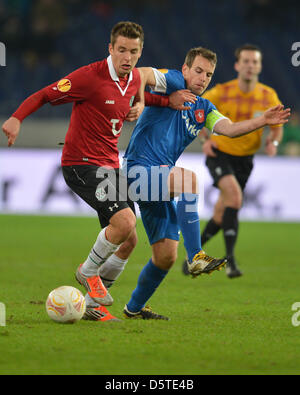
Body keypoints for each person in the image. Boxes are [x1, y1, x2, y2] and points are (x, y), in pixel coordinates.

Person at [1, 21, 196, 323]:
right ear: (110, 49)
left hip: (109, 166)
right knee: (126, 220)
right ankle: (87, 271)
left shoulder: (132, 81)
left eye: (133, 51)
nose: (126, 57)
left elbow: (136, 95)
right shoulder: (89, 77)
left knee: (129, 239)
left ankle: (92, 305)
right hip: (80, 163)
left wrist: (164, 101)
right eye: (121, 50)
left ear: (140, 52)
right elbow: (44, 94)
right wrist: (16, 118)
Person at [121, 46, 290, 320]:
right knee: (188, 179)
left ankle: (134, 308)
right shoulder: (173, 81)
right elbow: (139, 74)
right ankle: (197, 255)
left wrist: (264, 121)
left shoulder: (204, 108)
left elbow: (230, 129)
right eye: (198, 71)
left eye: (208, 74)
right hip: (137, 171)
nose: (202, 78)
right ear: (186, 69)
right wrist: (142, 100)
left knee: (165, 256)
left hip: (160, 181)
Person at [182, 43, 285, 279]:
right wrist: (206, 139)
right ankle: (231, 262)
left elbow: (276, 128)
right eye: (246, 61)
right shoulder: (220, 92)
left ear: (259, 66)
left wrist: (274, 143)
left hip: (245, 161)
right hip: (220, 154)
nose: (250, 66)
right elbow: (196, 113)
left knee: (220, 214)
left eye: (255, 62)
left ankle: (192, 256)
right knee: (235, 198)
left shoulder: (267, 96)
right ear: (238, 65)